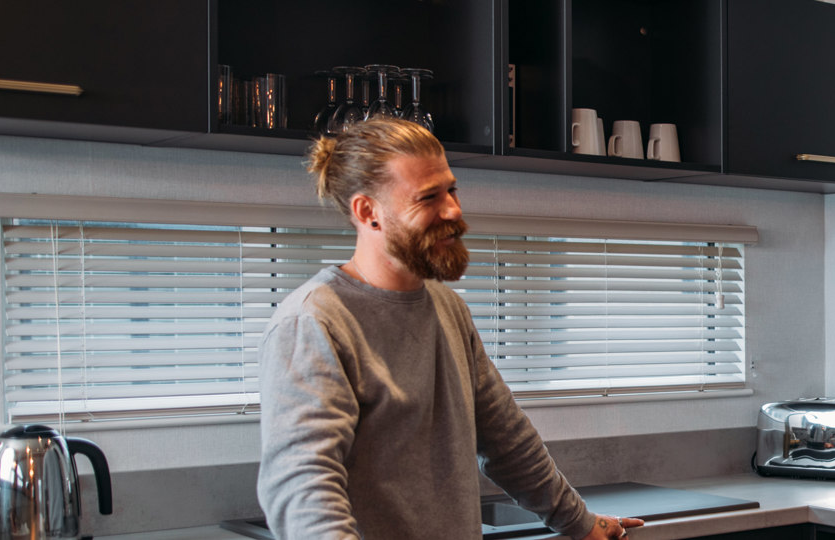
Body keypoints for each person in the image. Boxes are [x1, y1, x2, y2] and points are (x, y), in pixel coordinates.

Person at [257, 117, 643, 540]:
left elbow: (506, 440)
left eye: (451, 190)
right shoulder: (314, 322)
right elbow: (304, 487)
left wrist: (580, 523)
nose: (454, 210)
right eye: (428, 198)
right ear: (368, 212)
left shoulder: (447, 308)